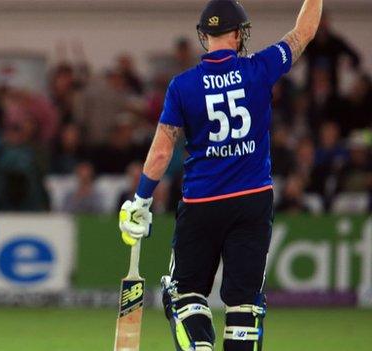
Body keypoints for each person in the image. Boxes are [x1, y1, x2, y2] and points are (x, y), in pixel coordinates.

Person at [117, 1, 322, 351]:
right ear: (239, 34)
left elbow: (162, 151)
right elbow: (303, 33)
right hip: (253, 201)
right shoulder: (259, 68)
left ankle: (199, 345)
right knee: (245, 305)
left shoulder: (183, 86)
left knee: (184, 294)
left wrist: (141, 200)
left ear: (204, 36)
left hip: (201, 204)